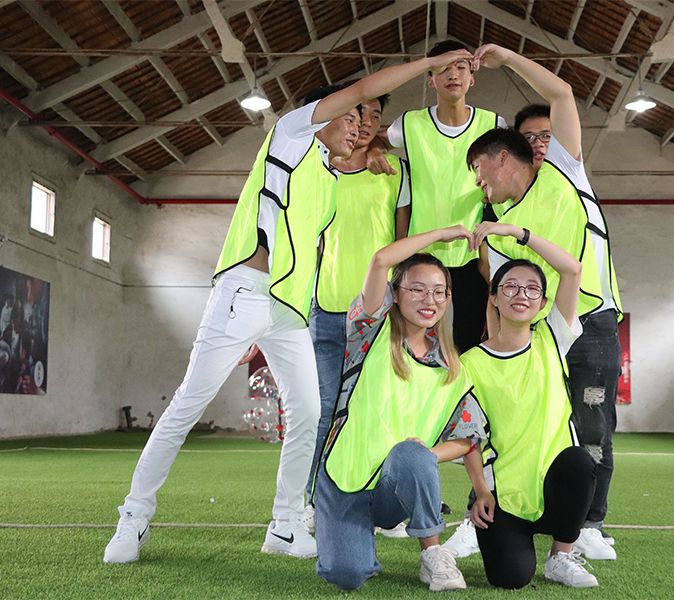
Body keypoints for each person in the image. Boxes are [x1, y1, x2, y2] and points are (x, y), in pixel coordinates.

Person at [101, 47, 474, 565]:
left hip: (292, 311)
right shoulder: (290, 134)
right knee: (189, 404)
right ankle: (134, 515)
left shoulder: (330, 177)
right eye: (349, 118)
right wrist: (431, 64)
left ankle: (284, 523)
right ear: (321, 115)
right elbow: (363, 90)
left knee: (309, 412)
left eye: (360, 122)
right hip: (244, 292)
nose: (358, 127)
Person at [444, 44, 623, 561]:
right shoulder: (496, 226)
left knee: (593, 427)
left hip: (588, 321)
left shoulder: (563, 171)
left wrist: (507, 58)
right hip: (532, 336)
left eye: (479, 168)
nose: (479, 182)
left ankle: (589, 525)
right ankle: (481, 513)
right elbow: (499, 294)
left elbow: (562, 93)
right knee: (505, 424)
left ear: (503, 156)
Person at [314, 226, 487, 592]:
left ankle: (432, 554)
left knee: (412, 454)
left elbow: (468, 437)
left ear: (448, 298)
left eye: (439, 291)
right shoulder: (368, 332)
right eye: (417, 289)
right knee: (347, 575)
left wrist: (426, 455)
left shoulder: (453, 368)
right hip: (345, 478)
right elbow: (381, 260)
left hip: (393, 486)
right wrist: (441, 235)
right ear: (395, 294)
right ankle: (352, 541)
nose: (429, 299)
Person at [463, 222, 598, 589]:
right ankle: (491, 527)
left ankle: (561, 555)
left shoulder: (551, 338)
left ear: (542, 302)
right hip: (504, 493)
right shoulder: (471, 363)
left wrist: (514, 232)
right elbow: (467, 435)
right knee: (510, 578)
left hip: (556, 485)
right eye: (510, 286)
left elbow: (572, 269)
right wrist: (480, 489)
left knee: (579, 462)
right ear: (494, 297)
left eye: (532, 288)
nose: (520, 294)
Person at [302, 94, 410, 532]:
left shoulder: (395, 171)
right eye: (356, 115)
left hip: (379, 313)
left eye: (374, 116)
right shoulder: (317, 170)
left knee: (380, 410)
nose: (364, 124)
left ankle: (386, 506)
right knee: (324, 412)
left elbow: (403, 240)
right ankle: (312, 501)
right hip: (327, 310)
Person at [375, 40, 506, 353]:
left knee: (467, 347)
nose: (453, 75)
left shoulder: (493, 124)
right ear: (430, 79)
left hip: (471, 256)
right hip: (421, 257)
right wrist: (374, 153)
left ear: (472, 77)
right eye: (443, 68)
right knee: (413, 346)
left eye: (460, 67)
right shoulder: (409, 123)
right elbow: (378, 142)